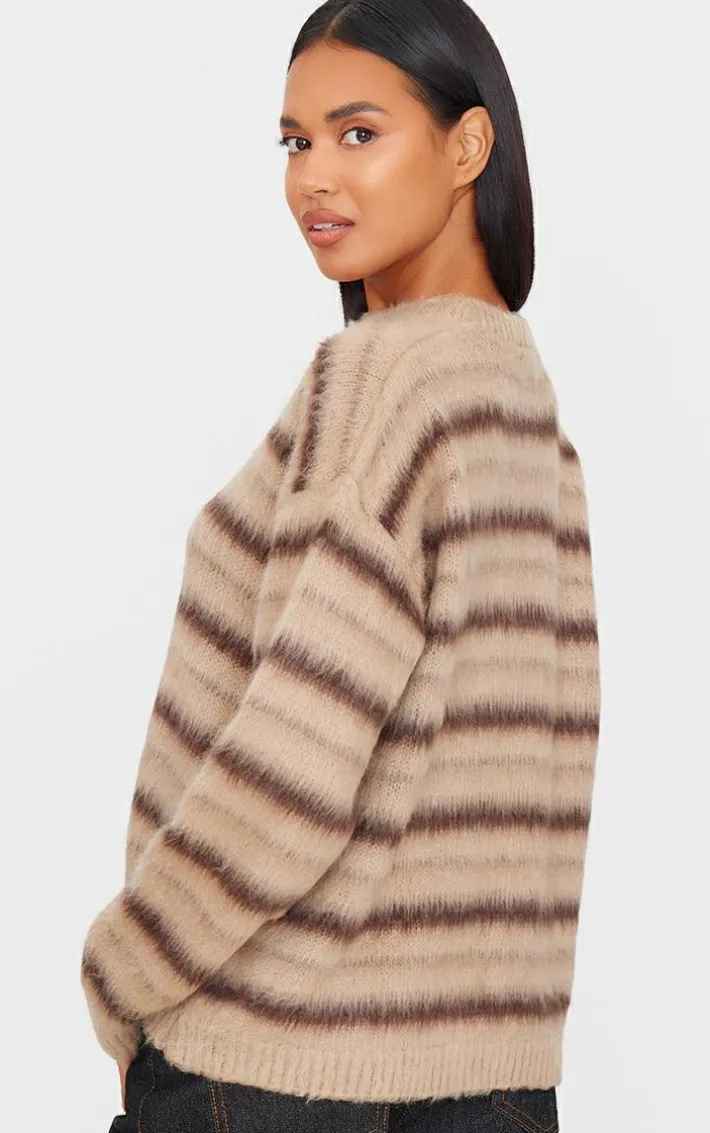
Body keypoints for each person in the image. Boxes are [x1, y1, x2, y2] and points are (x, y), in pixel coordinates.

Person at [81, 2, 601, 1130]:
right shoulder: (526, 415)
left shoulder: (381, 381)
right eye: (294, 141)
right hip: (495, 1075)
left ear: (467, 147)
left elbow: (294, 764)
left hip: (276, 1060)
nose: (313, 177)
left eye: (358, 133)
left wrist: (125, 971)